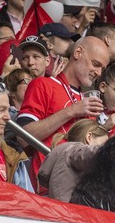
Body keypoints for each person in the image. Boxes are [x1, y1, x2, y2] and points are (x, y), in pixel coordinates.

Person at [18, 36, 110, 187]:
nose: (99, 72)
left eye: (102, 68)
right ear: (78, 52)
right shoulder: (43, 84)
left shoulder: (85, 99)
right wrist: (71, 111)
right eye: (95, 64)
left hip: (81, 188)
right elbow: (23, 136)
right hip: (48, 186)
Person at [37, 120, 109, 202]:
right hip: (70, 211)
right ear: (89, 137)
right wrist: (112, 148)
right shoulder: (74, 150)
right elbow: (88, 153)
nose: (103, 147)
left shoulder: (64, 151)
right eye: (103, 144)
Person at [0, 82, 29, 188]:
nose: (8, 117)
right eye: (0, 110)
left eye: (8, 110)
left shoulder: (12, 156)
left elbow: (27, 201)